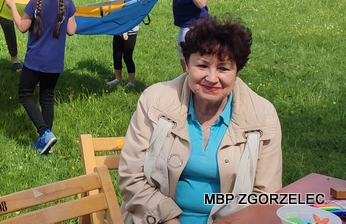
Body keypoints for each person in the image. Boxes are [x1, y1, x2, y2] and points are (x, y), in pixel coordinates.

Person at [119, 16, 282, 224]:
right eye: (202, 66)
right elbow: (132, 177)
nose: (212, 78)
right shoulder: (155, 101)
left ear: (237, 71)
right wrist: (169, 221)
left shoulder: (262, 115)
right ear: (186, 64)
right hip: (157, 219)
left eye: (223, 68)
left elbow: (266, 195)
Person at [4, 0, 76, 155]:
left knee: (25, 94)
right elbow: (72, 30)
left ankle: (44, 132)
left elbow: (21, 27)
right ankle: (46, 142)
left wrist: (11, 6)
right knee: (47, 98)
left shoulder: (35, 3)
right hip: (55, 63)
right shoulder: (67, 3)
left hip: (35, 61)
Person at [107, 0, 139, 89]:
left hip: (129, 32)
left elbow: (130, 17)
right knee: (116, 55)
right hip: (117, 31)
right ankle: (117, 78)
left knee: (127, 56)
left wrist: (125, 30)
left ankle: (131, 81)